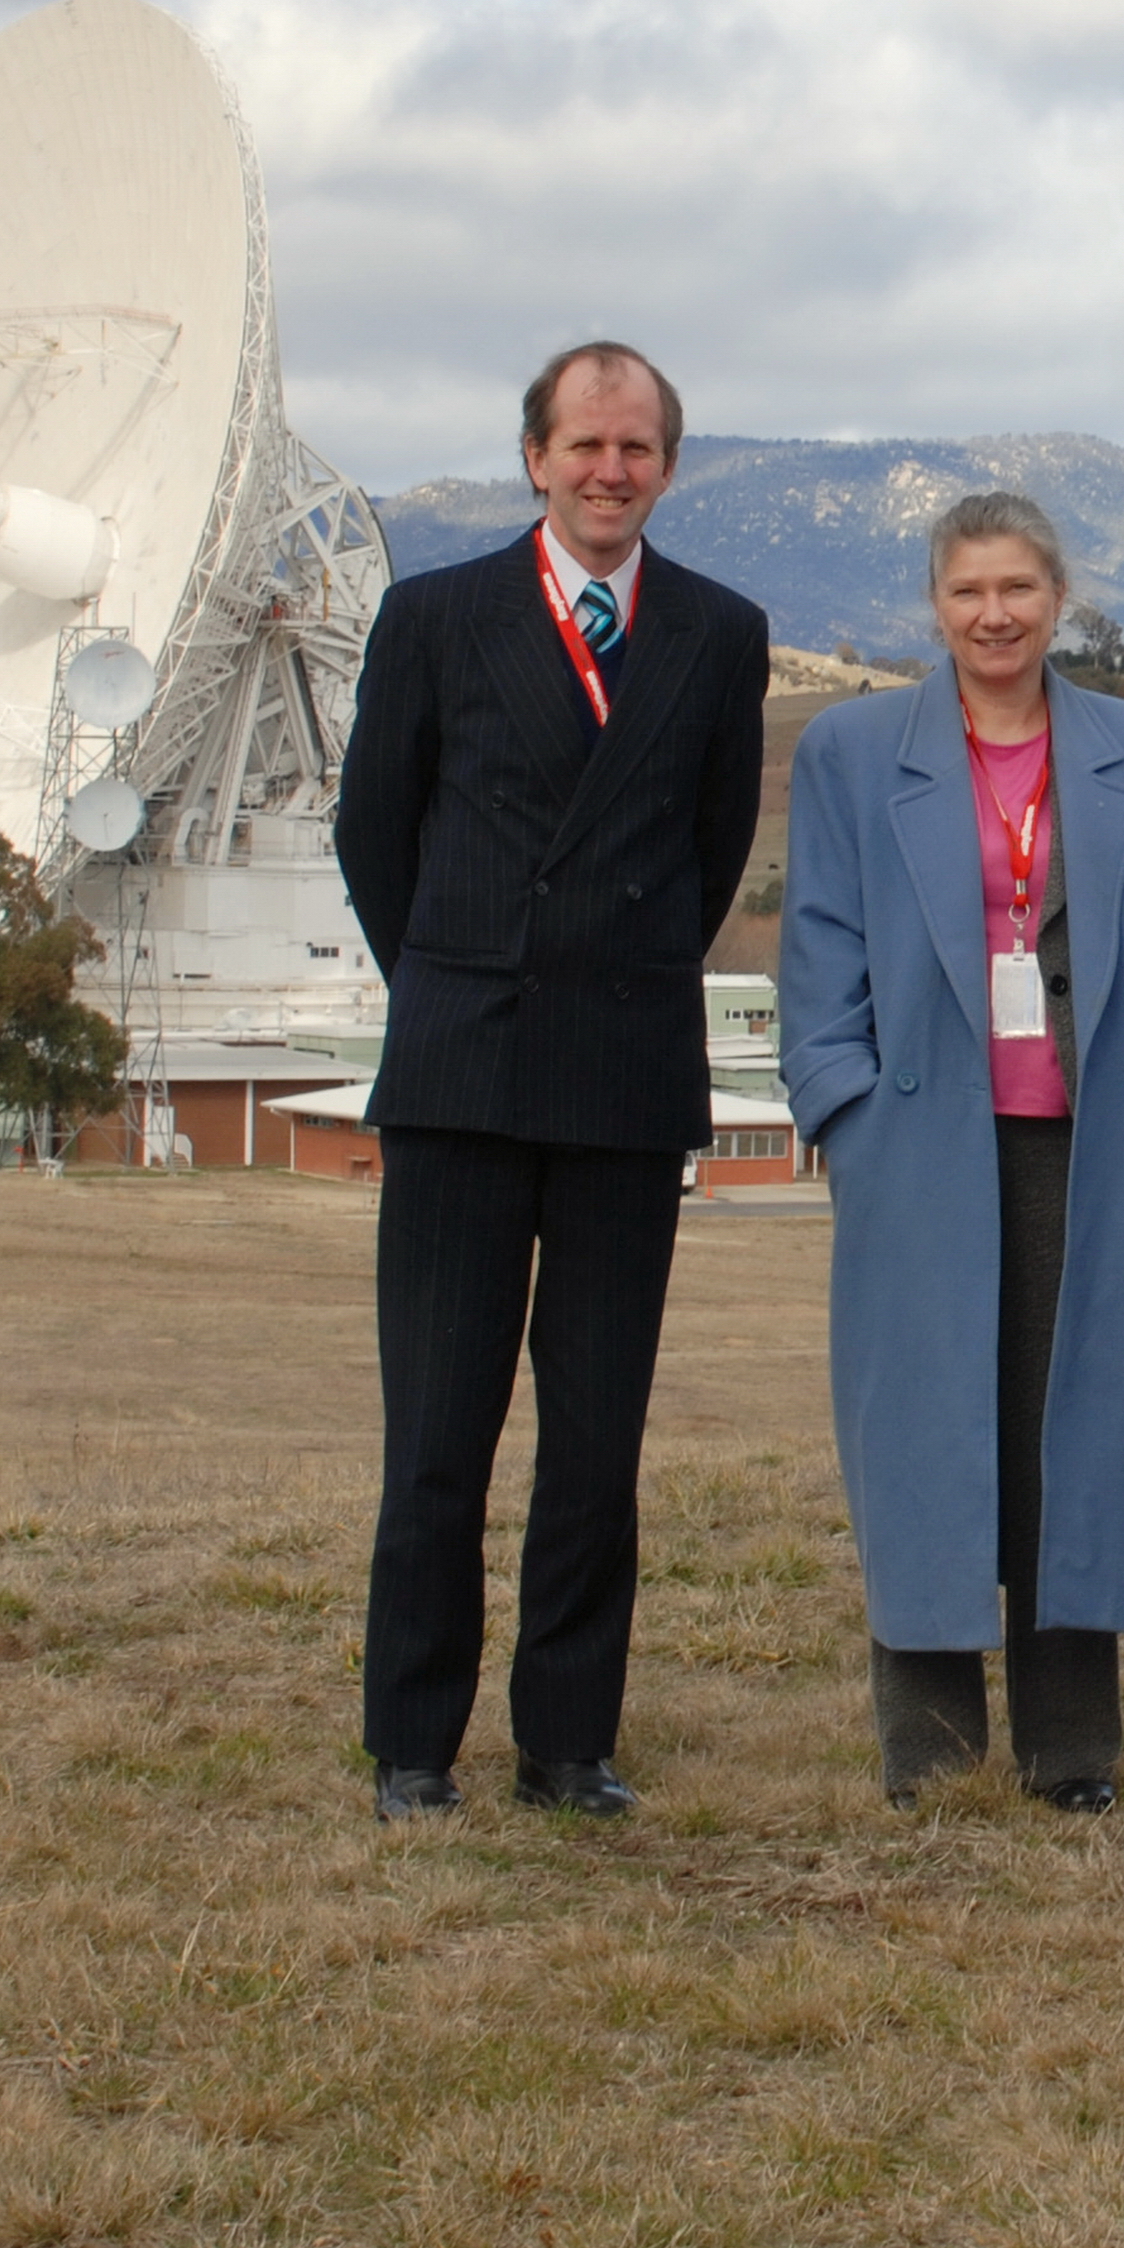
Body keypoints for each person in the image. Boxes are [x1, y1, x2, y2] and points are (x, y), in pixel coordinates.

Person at [341, 342, 770, 1822]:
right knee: (439, 1440)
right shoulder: (435, 618)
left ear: (667, 466)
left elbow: (711, 851)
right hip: (463, 1076)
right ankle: (413, 1746)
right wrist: (463, 977)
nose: (610, 470)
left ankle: (567, 1742)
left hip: (624, 1080)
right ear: (534, 456)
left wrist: (612, 969)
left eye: (637, 448)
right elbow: (375, 839)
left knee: (596, 1445)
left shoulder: (721, 633)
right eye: (584, 444)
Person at [781, 493, 1124, 1811]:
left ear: (1060, 596)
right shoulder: (852, 751)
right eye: (970, 591)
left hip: (1090, 1155)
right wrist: (847, 1114)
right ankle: (929, 1747)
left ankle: (1071, 1748)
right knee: (923, 1439)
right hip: (920, 1149)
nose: (995, 614)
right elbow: (819, 955)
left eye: (1019, 589)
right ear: (935, 602)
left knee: (1070, 1441)